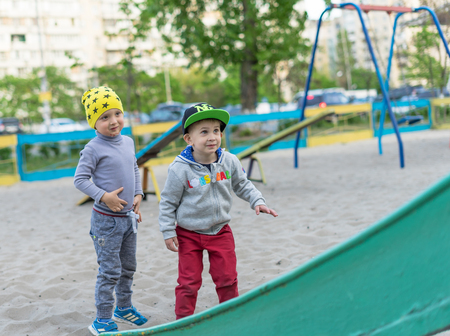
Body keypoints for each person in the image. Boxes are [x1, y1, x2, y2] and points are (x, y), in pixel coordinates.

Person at [159, 103, 278, 320]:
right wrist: (168, 231)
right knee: (188, 281)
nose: (212, 136)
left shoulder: (229, 161)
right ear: (189, 139)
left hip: (221, 231)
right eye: (204, 132)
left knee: (227, 278)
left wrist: (257, 201)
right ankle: (182, 321)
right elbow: (168, 202)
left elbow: (242, 184)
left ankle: (231, 317)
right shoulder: (180, 169)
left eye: (216, 130)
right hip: (189, 234)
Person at [74, 86, 148, 335]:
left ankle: (123, 308)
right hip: (106, 222)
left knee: (128, 267)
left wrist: (138, 193)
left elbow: (134, 169)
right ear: (94, 123)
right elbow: (80, 180)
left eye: (117, 113)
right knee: (110, 271)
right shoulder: (93, 148)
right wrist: (103, 196)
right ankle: (102, 318)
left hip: (128, 219)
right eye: (104, 117)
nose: (113, 121)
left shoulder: (127, 141)